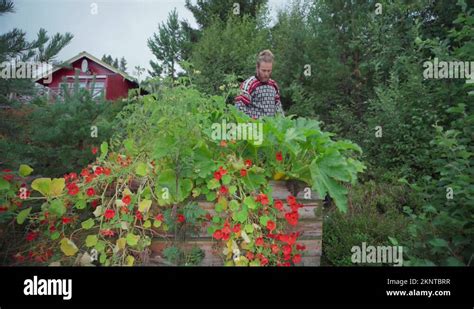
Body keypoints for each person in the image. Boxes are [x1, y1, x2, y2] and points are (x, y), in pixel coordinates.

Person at [234, 50, 284, 119]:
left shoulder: (273, 85)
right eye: (263, 70)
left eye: (269, 71)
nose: (266, 74)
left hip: (270, 128)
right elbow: (239, 107)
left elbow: (278, 109)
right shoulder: (249, 84)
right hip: (254, 127)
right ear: (257, 68)